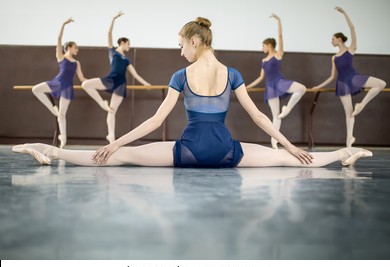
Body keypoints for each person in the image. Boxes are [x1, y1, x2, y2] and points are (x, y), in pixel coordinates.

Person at [13, 17, 372, 168]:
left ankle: (49, 151)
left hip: (186, 151)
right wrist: (291, 146)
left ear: (195, 41)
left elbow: (156, 120)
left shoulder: (181, 74)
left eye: (181, 44)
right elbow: (259, 116)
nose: (179, 50)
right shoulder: (231, 73)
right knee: (290, 160)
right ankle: (346, 152)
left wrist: (119, 142)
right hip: (227, 152)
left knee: (117, 157)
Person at [312, 7, 386, 147]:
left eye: (333, 39)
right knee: (349, 113)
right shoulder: (334, 57)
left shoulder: (351, 48)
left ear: (339, 39)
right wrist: (319, 86)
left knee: (381, 84)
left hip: (353, 78)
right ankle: (349, 141)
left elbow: (352, 28)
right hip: (342, 83)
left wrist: (344, 13)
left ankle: (362, 104)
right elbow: (332, 76)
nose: (331, 41)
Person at [81, 11, 151, 144]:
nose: (129, 47)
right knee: (86, 84)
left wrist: (145, 83)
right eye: (128, 44)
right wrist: (113, 18)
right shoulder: (112, 52)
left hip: (120, 85)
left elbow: (134, 74)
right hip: (110, 79)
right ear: (123, 43)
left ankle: (111, 136)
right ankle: (102, 103)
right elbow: (109, 34)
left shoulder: (126, 59)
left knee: (112, 111)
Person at [247, 13, 306, 149]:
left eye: (263, 46)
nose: (262, 48)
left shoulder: (278, 54)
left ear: (269, 45)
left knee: (301, 88)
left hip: (279, 82)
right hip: (270, 87)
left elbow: (280, 37)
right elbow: (260, 77)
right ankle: (274, 141)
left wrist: (279, 20)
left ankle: (288, 108)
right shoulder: (264, 60)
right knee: (275, 116)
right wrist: (247, 86)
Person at [31, 18, 87, 149]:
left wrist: (92, 84)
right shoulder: (61, 57)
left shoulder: (76, 62)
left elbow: (82, 78)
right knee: (36, 89)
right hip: (57, 82)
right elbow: (58, 40)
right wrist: (63, 24)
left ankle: (64, 140)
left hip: (67, 87)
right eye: (75, 47)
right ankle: (52, 109)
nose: (77, 50)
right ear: (68, 48)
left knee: (62, 115)